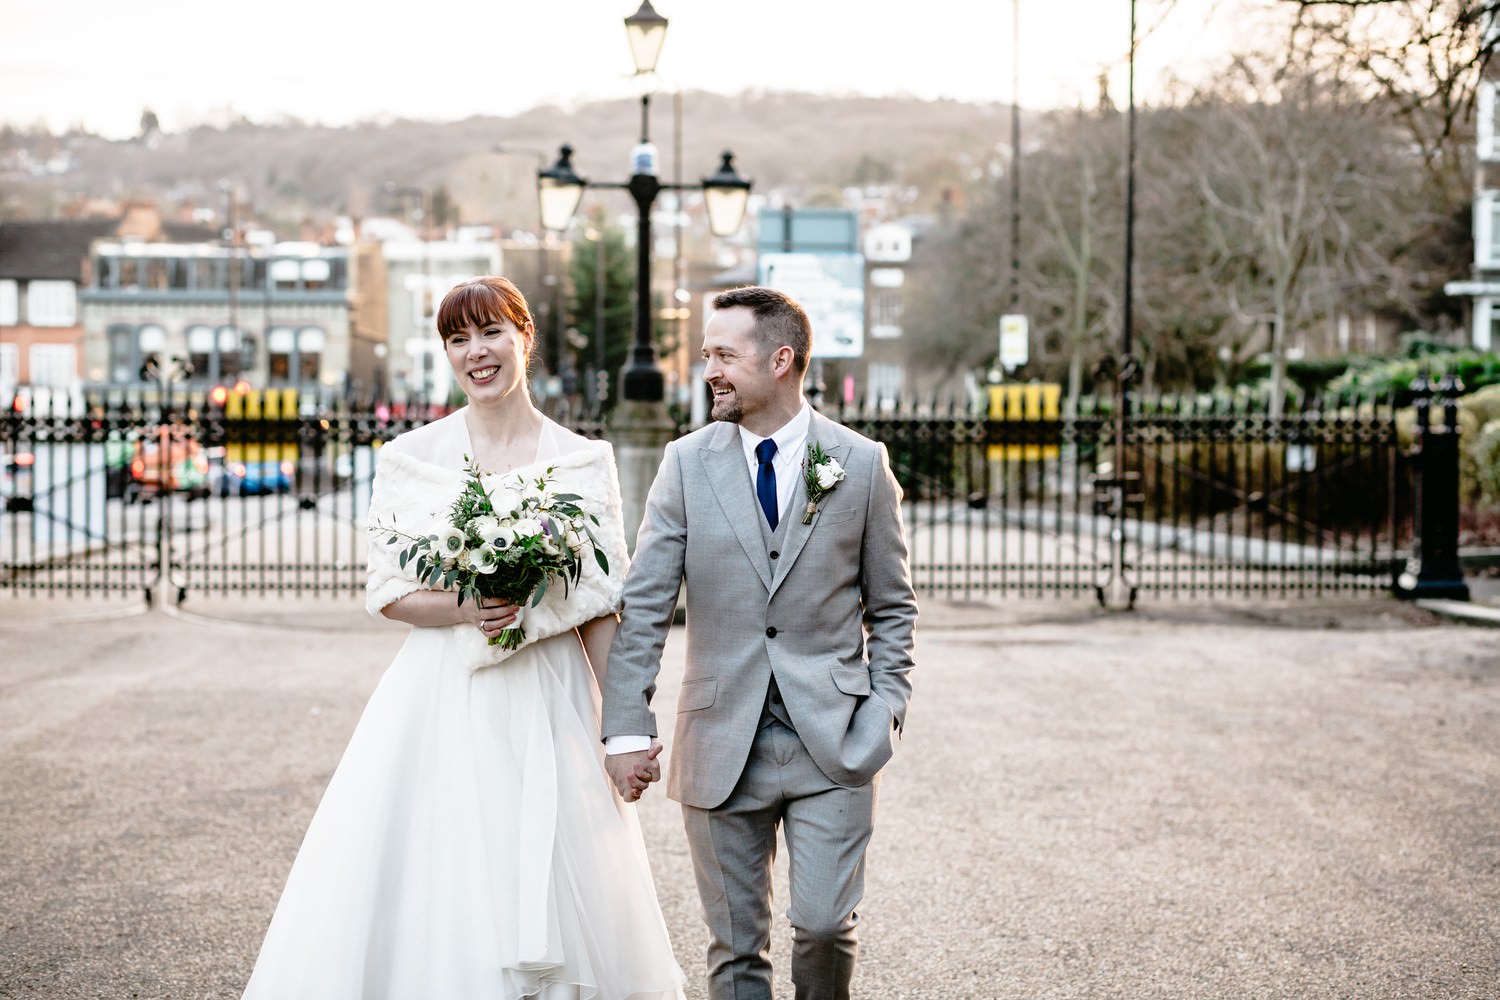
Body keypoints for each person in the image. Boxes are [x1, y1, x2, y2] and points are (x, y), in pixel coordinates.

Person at [242, 276, 685, 1000]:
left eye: (490, 333)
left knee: (555, 879)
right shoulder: (411, 457)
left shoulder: (582, 461)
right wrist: (464, 604)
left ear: (524, 337)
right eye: (458, 338)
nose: (476, 353)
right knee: (435, 874)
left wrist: (624, 732)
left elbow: (604, 608)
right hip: (438, 697)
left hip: (549, 699)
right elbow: (387, 592)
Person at [600, 286, 918, 999]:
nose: (708, 369)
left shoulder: (860, 465)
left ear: (781, 360)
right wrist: (624, 725)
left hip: (834, 740)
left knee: (826, 926)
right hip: (720, 739)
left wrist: (884, 709)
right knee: (737, 949)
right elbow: (645, 605)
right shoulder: (686, 463)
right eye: (705, 354)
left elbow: (894, 608)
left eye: (723, 354)